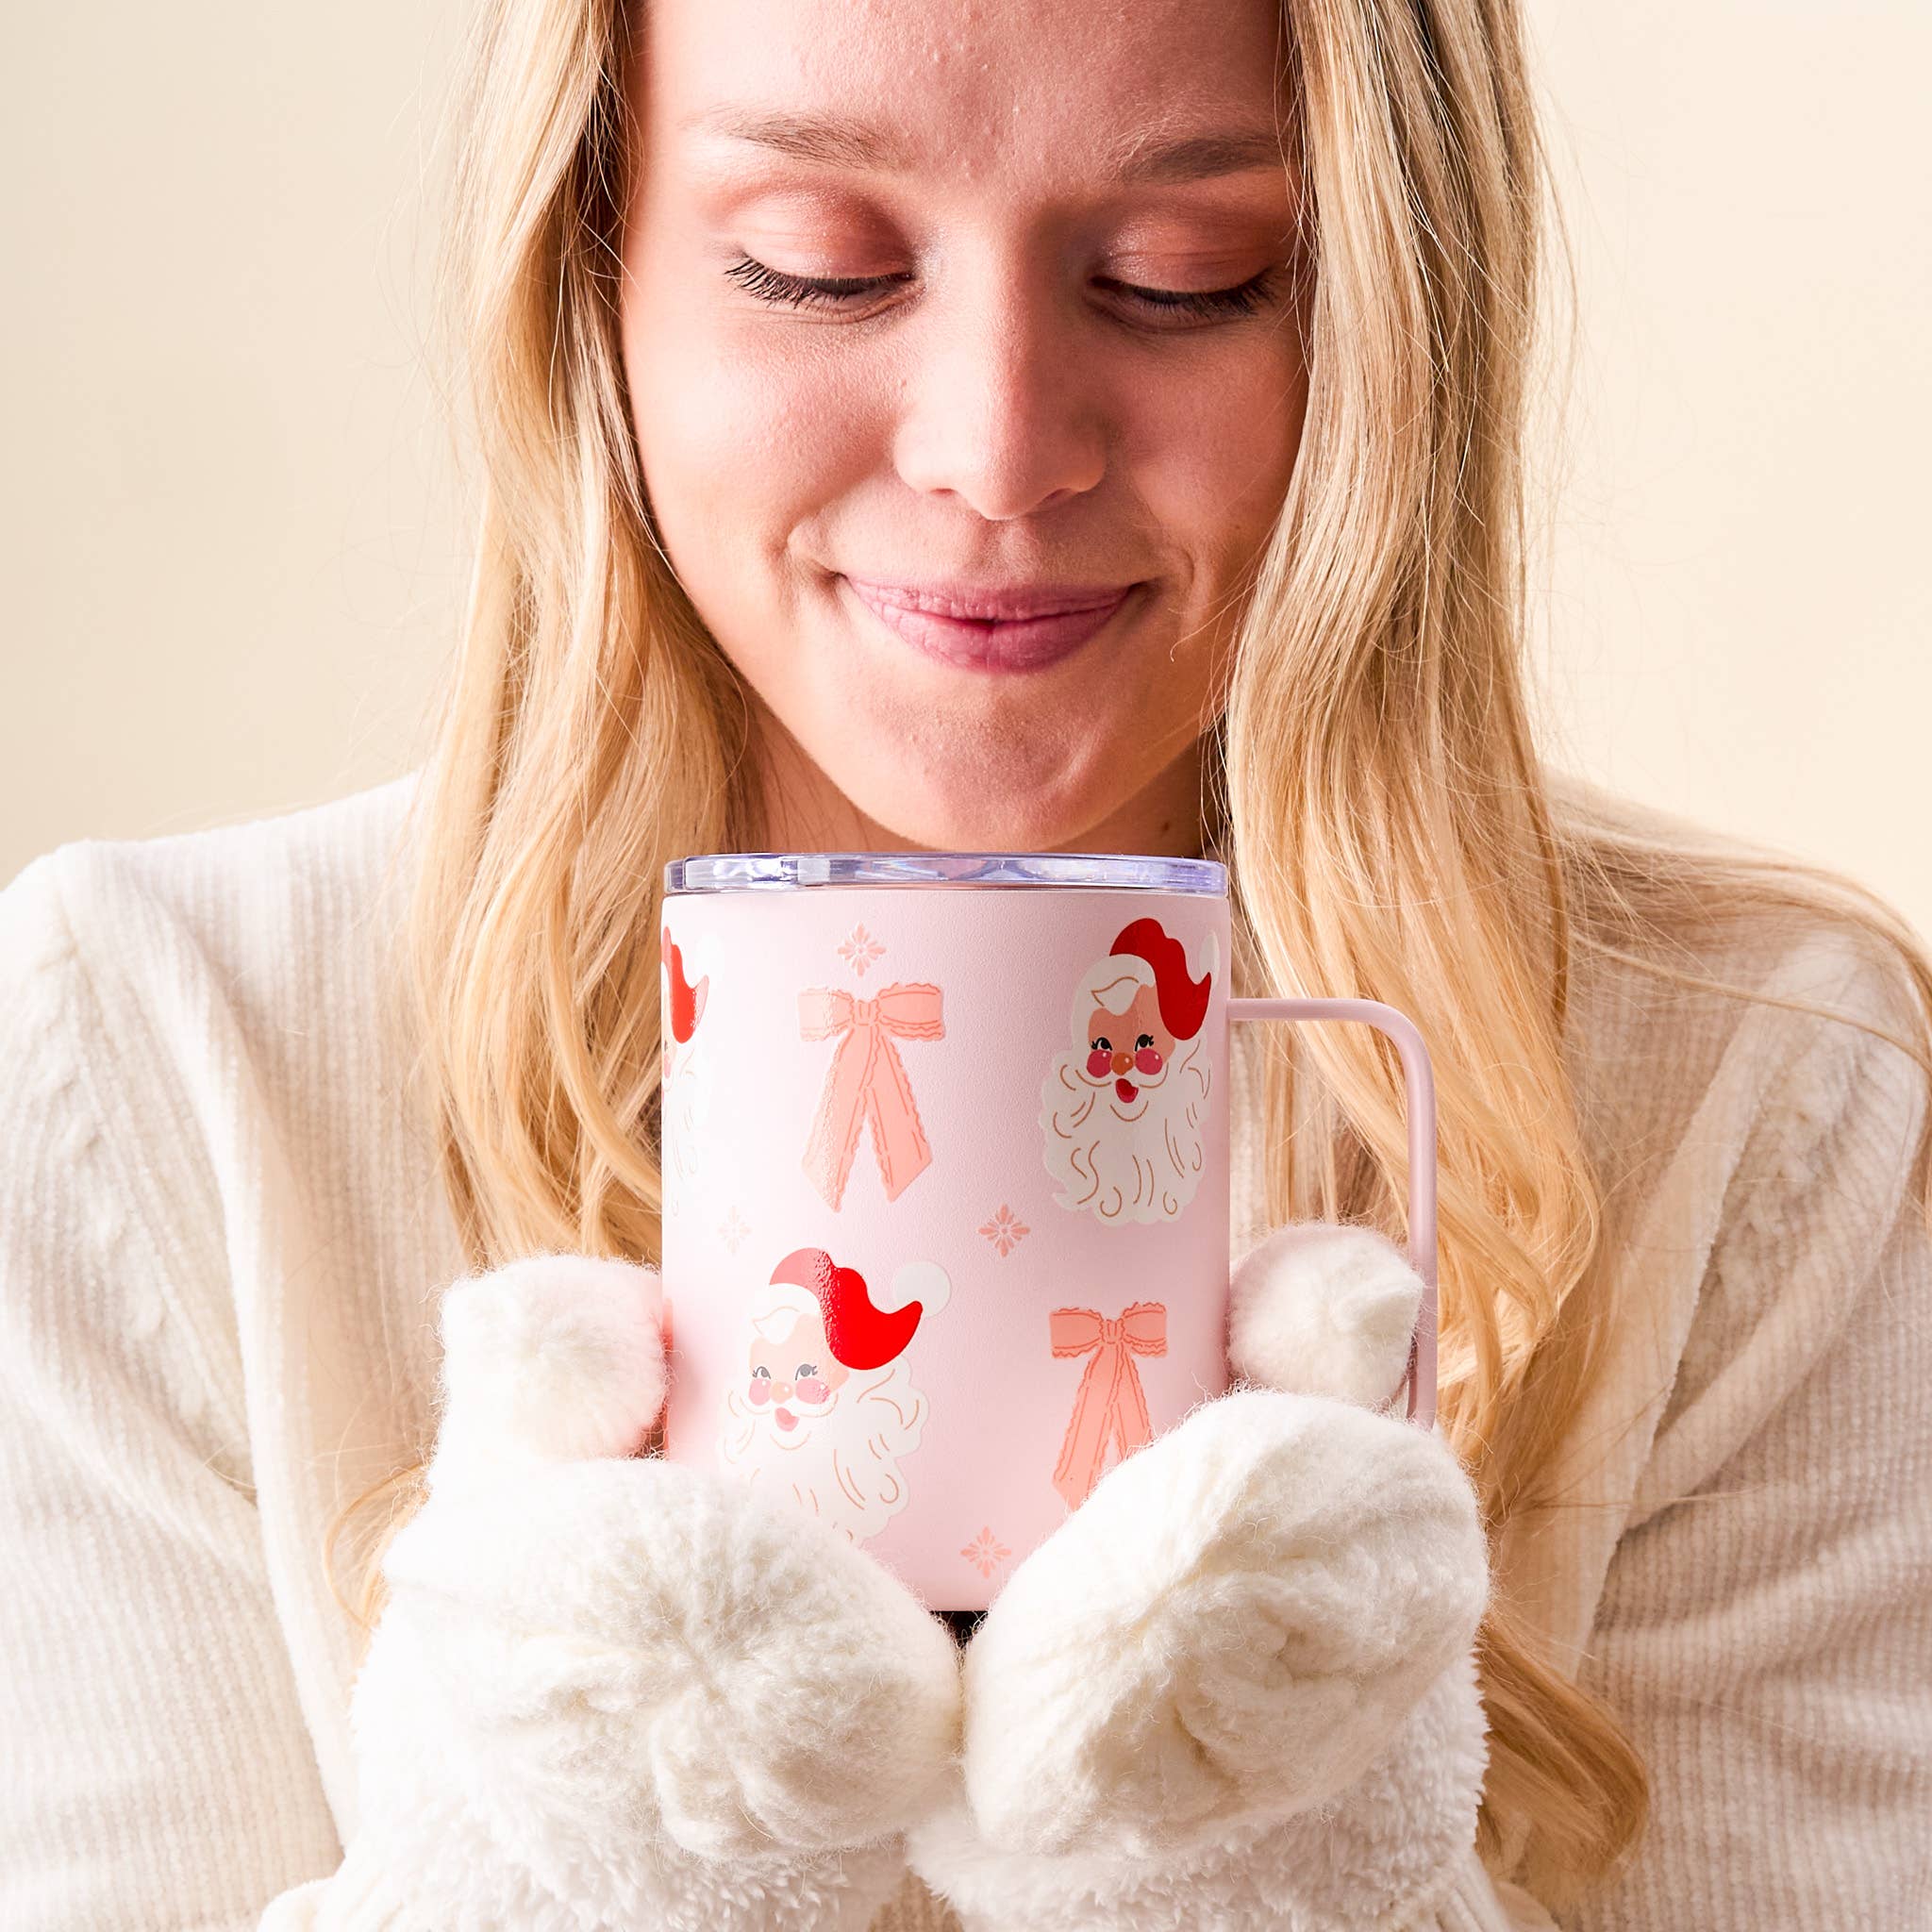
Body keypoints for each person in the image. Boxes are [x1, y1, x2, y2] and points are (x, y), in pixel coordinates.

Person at [1, 0, 1928, 1924]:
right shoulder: (156, 1047)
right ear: (591, 273)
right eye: (820, 270)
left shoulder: (1756, 1088)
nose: (996, 449)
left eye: (1187, 279)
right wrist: (552, 1870)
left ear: (1385, 312)